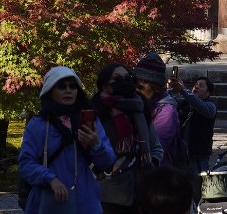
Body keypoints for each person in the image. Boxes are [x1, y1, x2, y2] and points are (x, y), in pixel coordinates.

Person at [20, 66, 116, 214]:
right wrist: (50, 179)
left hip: (86, 202)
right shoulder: (38, 124)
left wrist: (96, 145)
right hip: (49, 200)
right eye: (61, 86)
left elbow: (108, 162)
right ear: (50, 90)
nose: (68, 90)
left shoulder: (90, 121)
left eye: (73, 86)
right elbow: (26, 164)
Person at [97, 60, 164, 214]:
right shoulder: (97, 112)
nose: (124, 82)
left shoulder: (140, 108)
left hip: (141, 192)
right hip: (108, 195)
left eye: (128, 78)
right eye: (117, 79)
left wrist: (150, 165)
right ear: (105, 85)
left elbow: (156, 147)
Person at [182, 76, 219, 179]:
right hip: (183, 155)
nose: (197, 87)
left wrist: (182, 88)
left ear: (207, 93)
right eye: (195, 84)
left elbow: (199, 104)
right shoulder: (186, 103)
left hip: (199, 155)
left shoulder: (211, 106)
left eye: (201, 85)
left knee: (199, 187)